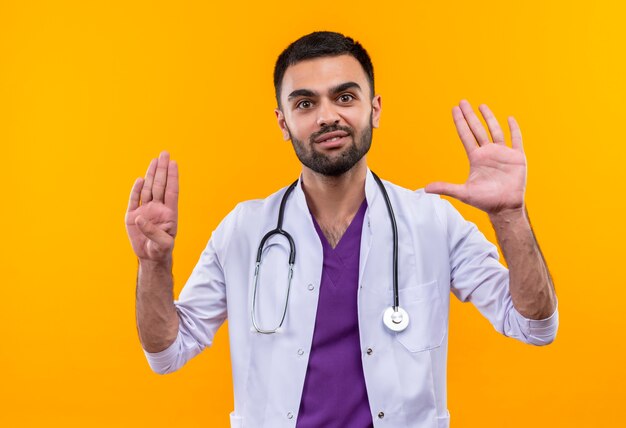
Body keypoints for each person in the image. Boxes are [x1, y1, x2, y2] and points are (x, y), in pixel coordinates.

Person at [125, 31, 558, 428]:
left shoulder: (433, 222)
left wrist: (509, 217)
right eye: (305, 103)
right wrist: (154, 264)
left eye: (345, 97)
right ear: (283, 122)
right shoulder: (244, 230)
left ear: (375, 108)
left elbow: (534, 326)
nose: (327, 116)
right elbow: (166, 353)